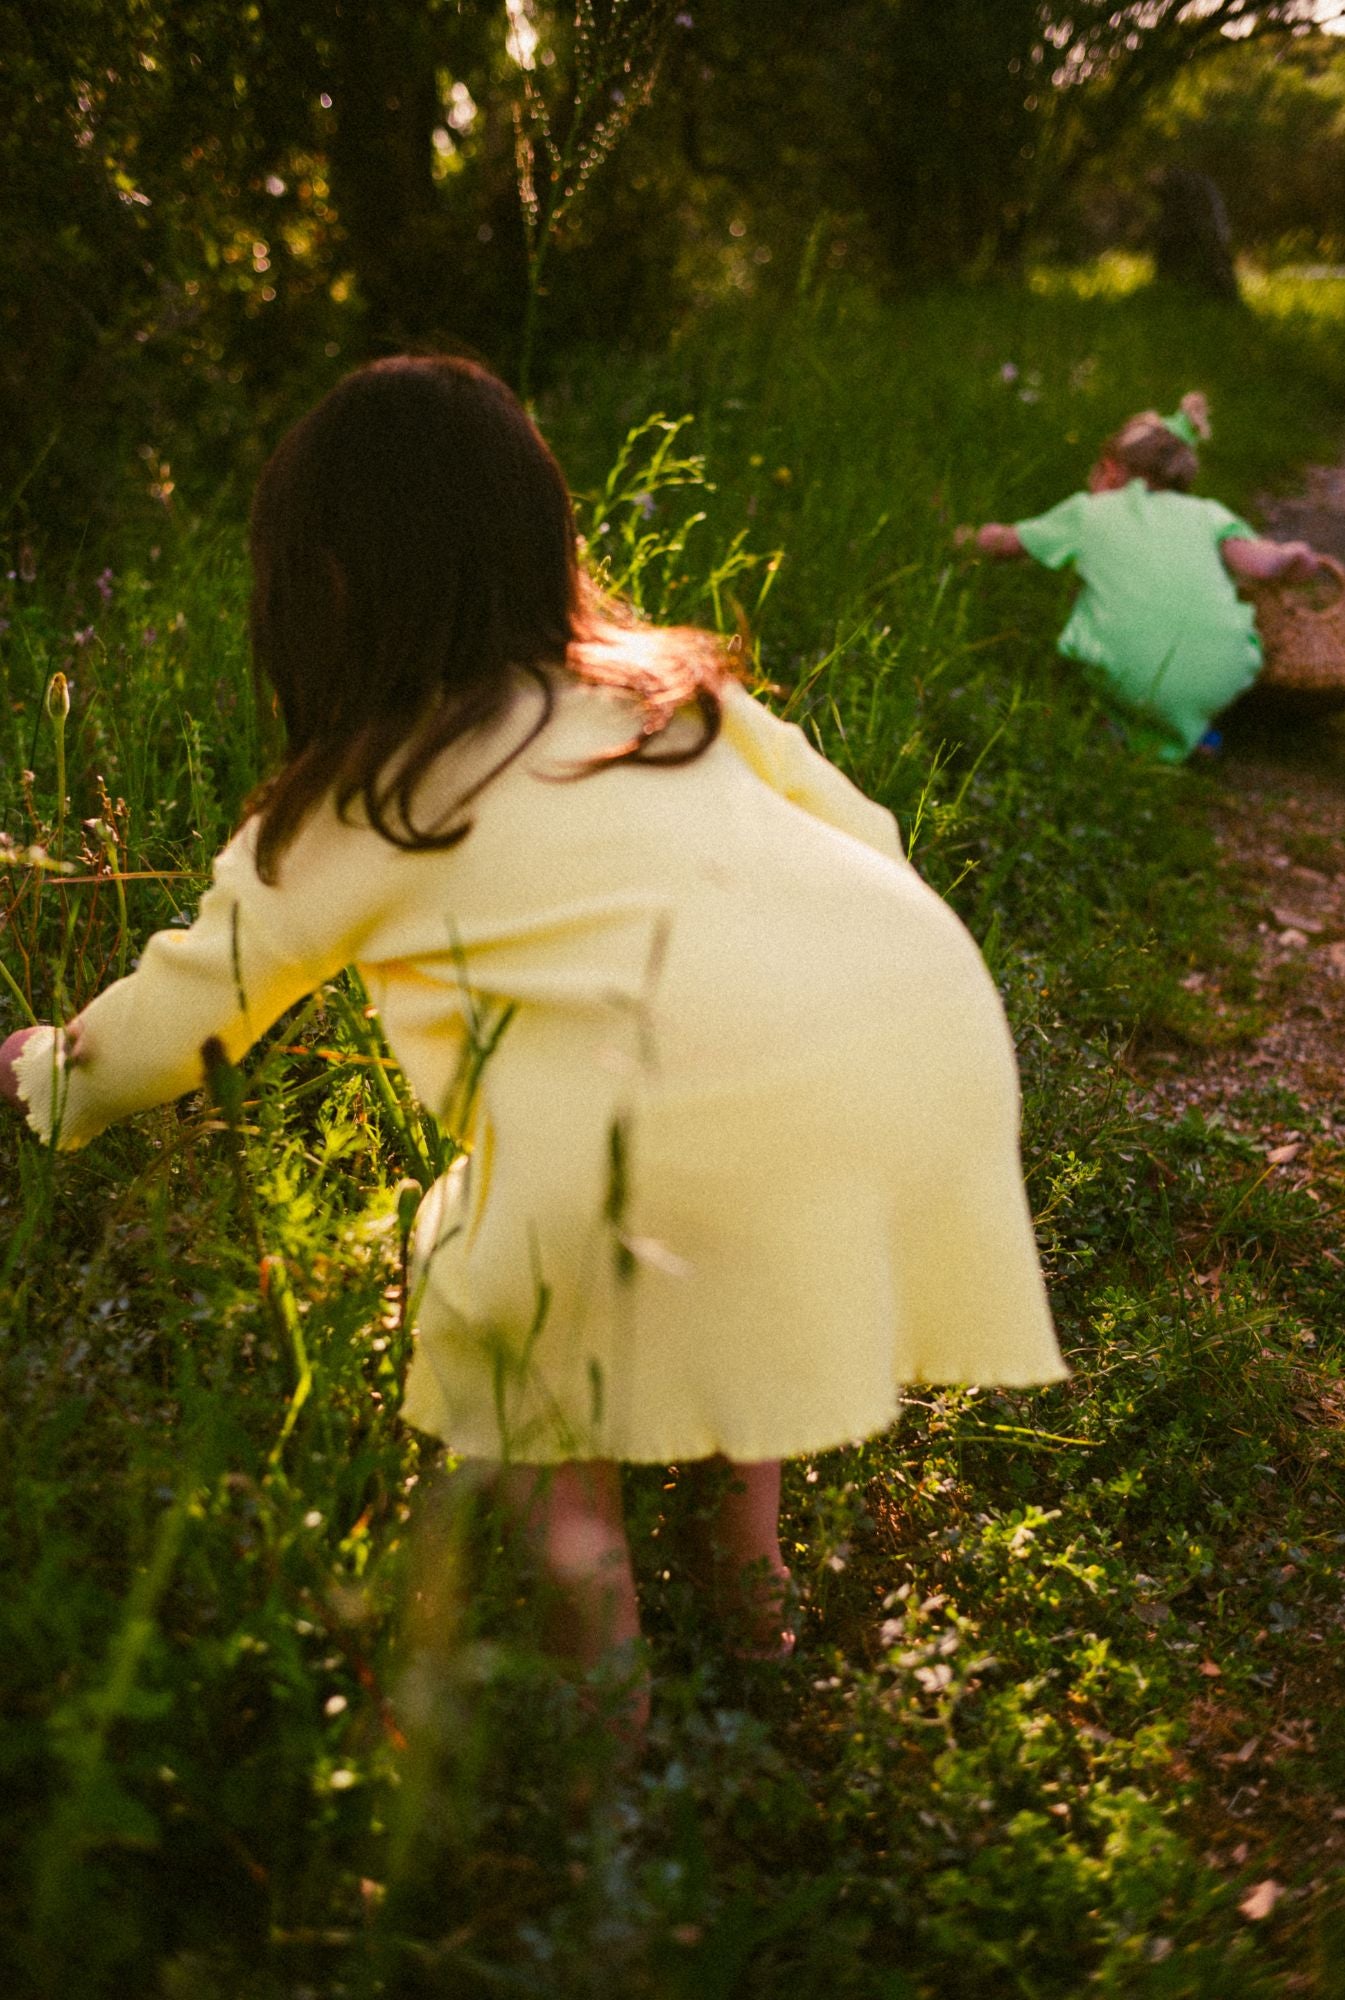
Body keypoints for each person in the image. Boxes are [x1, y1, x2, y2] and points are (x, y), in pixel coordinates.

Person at [0, 357, 1063, 1738]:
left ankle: (602, 1750)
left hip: (645, 1157)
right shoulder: (666, 696)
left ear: (317, 592)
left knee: (525, 1326)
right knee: (723, 1234)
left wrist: (40, 1069)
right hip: (910, 1044)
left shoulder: (357, 808)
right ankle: (748, 1577)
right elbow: (867, 838)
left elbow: (180, 1021)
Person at [966, 393, 1328, 761]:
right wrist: (1292, 557)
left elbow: (1002, 542)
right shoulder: (1207, 513)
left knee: (1091, 599)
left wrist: (957, 537)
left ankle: (1117, 725)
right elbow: (1261, 565)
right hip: (1223, 675)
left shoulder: (1091, 511)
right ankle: (1191, 730)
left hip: (1132, 674)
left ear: (1108, 470)